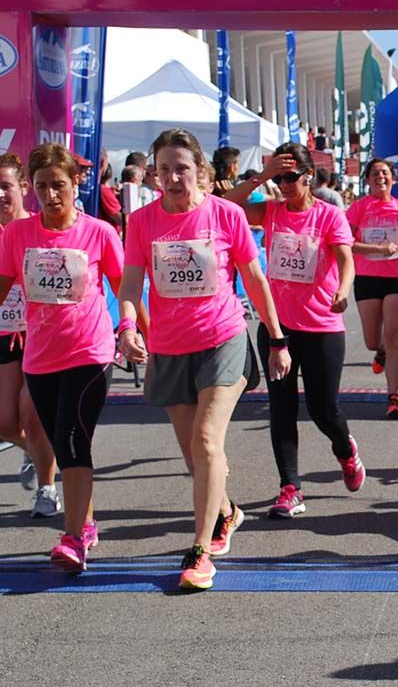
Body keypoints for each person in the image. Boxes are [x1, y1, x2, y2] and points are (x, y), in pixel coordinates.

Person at [118, 128, 292, 591]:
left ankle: (199, 548)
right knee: (195, 456)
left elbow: (254, 279)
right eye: (164, 170)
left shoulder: (226, 214)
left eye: (182, 168)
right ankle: (229, 511)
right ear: (154, 175)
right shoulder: (142, 223)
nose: (174, 178)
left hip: (222, 338)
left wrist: (277, 338)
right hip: (171, 347)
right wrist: (128, 326)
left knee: (206, 438)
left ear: (201, 172)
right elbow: (131, 286)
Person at [0, 144, 136, 573]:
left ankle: (74, 537)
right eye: (42, 187)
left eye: (59, 185)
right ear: (31, 188)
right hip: (41, 356)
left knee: (73, 439)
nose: (51, 195)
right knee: (61, 441)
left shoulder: (98, 232)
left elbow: (125, 287)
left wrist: (134, 332)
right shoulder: (17, 235)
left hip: (89, 351)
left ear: (76, 183)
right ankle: (88, 521)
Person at [223, 142, 366, 518]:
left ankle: (345, 450)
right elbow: (226, 204)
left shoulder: (329, 215)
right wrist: (263, 175)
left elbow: (346, 260)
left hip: (322, 326)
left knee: (323, 409)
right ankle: (290, 488)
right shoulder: (270, 212)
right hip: (278, 327)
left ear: (309, 177)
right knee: (282, 409)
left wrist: (343, 288)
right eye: (280, 178)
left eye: (290, 178)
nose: (285, 186)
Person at [0, 153, 58, 514]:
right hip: (4, 334)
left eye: (5, 186)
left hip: (41, 335)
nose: (0, 195)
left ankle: (48, 488)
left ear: (23, 187)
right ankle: (36, 453)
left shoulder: (39, 227)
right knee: (5, 422)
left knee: (32, 414)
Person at [344, 158, 398, 420]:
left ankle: (393, 397)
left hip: (397, 278)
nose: (380, 177)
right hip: (367, 278)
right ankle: (380, 352)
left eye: (385, 173)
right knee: (371, 341)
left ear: (394, 179)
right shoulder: (357, 208)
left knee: (393, 335)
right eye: (375, 173)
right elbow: (345, 243)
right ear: (367, 180)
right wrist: (376, 250)